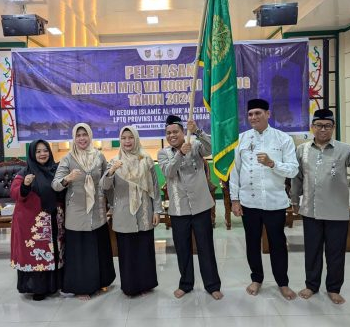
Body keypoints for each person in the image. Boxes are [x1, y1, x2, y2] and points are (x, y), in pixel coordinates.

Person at [291, 108, 350, 304]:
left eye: (328, 126)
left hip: (337, 211)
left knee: (335, 252)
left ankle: (334, 288)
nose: (323, 130)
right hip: (310, 210)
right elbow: (296, 178)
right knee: (312, 251)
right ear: (312, 127)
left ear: (333, 128)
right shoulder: (302, 150)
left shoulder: (345, 149)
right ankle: (311, 285)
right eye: (319, 126)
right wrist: (295, 201)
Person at [229, 98, 299, 300]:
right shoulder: (241, 139)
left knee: (278, 243)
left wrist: (272, 163)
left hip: (274, 202)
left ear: (268, 114)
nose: (253, 117)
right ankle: (256, 278)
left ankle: (283, 283)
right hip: (249, 202)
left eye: (258, 113)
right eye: (250, 114)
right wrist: (235, 200)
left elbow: (293, 170)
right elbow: (235, 172)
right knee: (252, 243)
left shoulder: (282, 139)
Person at [157, 115, 223, 300]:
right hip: (179, 210)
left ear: (182, 131)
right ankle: (186, 284)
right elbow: (169, 172)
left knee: (206, 248)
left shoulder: (195, 145)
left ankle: (212, 285)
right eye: (168, 133)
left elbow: (212, 147)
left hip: (201, 206)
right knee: (183, 249)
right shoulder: (163, 154)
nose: (172, 135)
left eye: (175, 132)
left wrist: (198, 132)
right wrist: (180, 154)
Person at [52, 123, 115, 300]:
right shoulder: (68, 158)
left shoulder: (99, 156)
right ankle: (81, 287)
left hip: (97, 211)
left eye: (84, 134)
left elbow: (105, 184)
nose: (81, 138)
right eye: (78, 135)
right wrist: (67, 179)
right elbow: (55, 185)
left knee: (98, 248)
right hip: (77, 211)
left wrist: (111, 204)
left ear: (90, 136)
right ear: (74, 137)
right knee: (81, 252)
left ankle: (102, 281)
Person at [100, 125, 161, 296]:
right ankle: (130, 287)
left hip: (144, 211)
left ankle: (146, 284)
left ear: (136, 139)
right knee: (127, 251)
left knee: (144, 249)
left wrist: (157, 210)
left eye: (130, 137)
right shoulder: (114, 161)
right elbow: (104, 187)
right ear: (120, 140)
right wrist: (111, 172)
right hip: (123, 213)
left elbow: (154, 187)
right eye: (124, 138)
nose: (127, 141)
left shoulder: (146, 159)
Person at [10, 139, 65, 301]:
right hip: (32, 224)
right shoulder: (25, 172)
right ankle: (38, 288)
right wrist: (26, 185)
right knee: (38, 255)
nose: (42, 154)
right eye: (38, 151)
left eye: (45, 150)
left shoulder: (56, 170)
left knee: (54, 252)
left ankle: (54, 285)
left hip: (54, 220)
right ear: (32, 154)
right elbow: (15, 193)